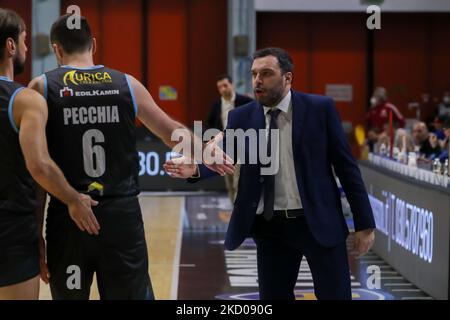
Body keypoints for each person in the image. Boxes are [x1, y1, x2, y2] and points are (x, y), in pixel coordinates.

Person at [28, 14, 232, 300]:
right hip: (120, 219)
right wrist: (205, 151)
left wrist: (36, 234)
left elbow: (36, 167)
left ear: (56, 49)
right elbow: (169, 131)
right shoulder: (126, 84)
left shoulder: (41, 87)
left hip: (69, 218)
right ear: (94, 45)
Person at [165, 47, 376, 300]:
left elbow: (347, 168)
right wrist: (196, 168)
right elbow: (226, 156)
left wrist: (365, 224)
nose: (257, 80)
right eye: (254, 74)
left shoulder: (320, 109)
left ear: (287, 78)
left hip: (318, 222)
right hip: (271, 227)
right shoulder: (241, 117)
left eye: (266, 73)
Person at [0, 8, 98, 300]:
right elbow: (39, 165)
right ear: (11, 45)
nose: (27, 48)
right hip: (10, 232)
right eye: (25, 40)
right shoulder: (24, 100)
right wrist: (73, 198)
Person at [207, 75, 253, 202]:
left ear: (232, 85)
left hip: (243, 144)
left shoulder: (245, 101)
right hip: (225, 146)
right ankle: (235, 208)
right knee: (230, 182)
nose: (223, 89)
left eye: (225, 85)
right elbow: (210, 124)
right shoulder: (216, 105)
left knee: (240, 181)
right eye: (220, 87)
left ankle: (243, 209)